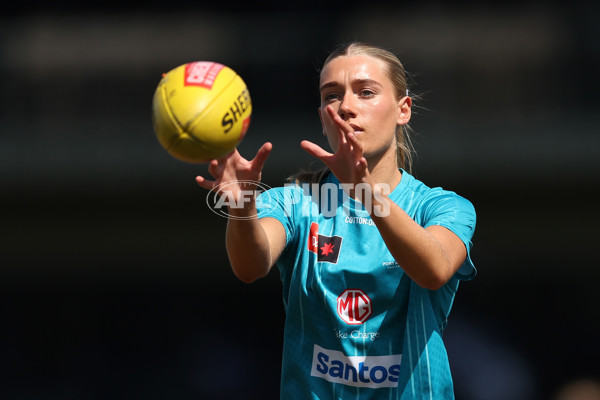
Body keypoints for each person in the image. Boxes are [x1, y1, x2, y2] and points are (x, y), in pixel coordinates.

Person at [196, 41, 477, 399]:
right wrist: (242, 208)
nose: (345, 107)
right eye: (331, 96)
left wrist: (367, 195)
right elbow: (250, 265)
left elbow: (433, 269)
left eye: (366, 92)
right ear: (322, 118)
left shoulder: (442, 207)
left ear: (403, 109)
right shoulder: (295, 201)